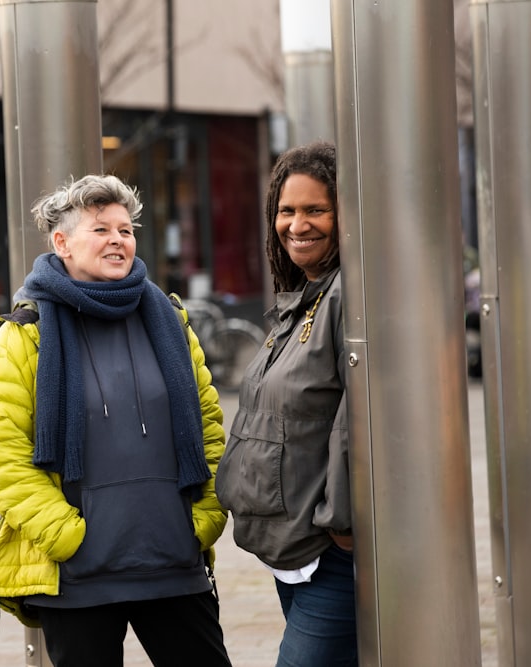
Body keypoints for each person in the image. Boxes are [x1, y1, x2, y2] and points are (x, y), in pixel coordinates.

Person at [0, 174, 232, 667]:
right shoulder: (26, 336)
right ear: (62, 243)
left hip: (173, 562)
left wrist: (203, 521)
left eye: (126, 230)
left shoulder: (170, 323)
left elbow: (211, 431)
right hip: (80, 577)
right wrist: (67, 537)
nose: (118, 240)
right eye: (101, 230)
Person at [215, 141, 357, 666]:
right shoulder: (303, 296)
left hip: (330, 553)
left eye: (316, 209)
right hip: (289, 551)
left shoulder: (347, 297)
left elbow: (356, 421)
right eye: (287, 210)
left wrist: (340, 526)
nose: (298, 224)